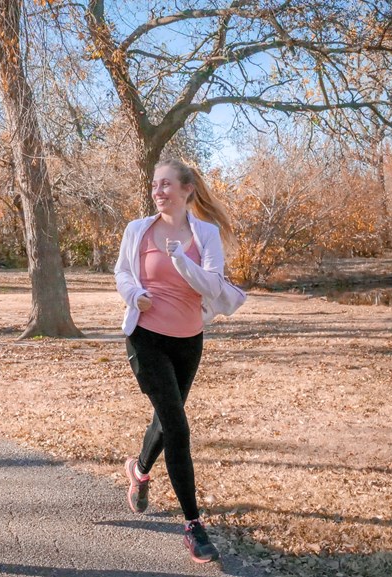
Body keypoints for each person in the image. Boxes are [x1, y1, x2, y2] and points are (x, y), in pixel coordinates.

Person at [114, 158, 246, 564]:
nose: (158, 191)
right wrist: (136, 297)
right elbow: (122, 275)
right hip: (145, 338)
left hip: (189, 340)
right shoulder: (138, 230)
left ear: (187, 189)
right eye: (155, 185)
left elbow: (213, 282)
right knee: (177, 425)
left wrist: (181, 261)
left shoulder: (205, 234)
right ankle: (193, 526)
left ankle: (138, 469)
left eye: (167, 184)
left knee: (166, 418)